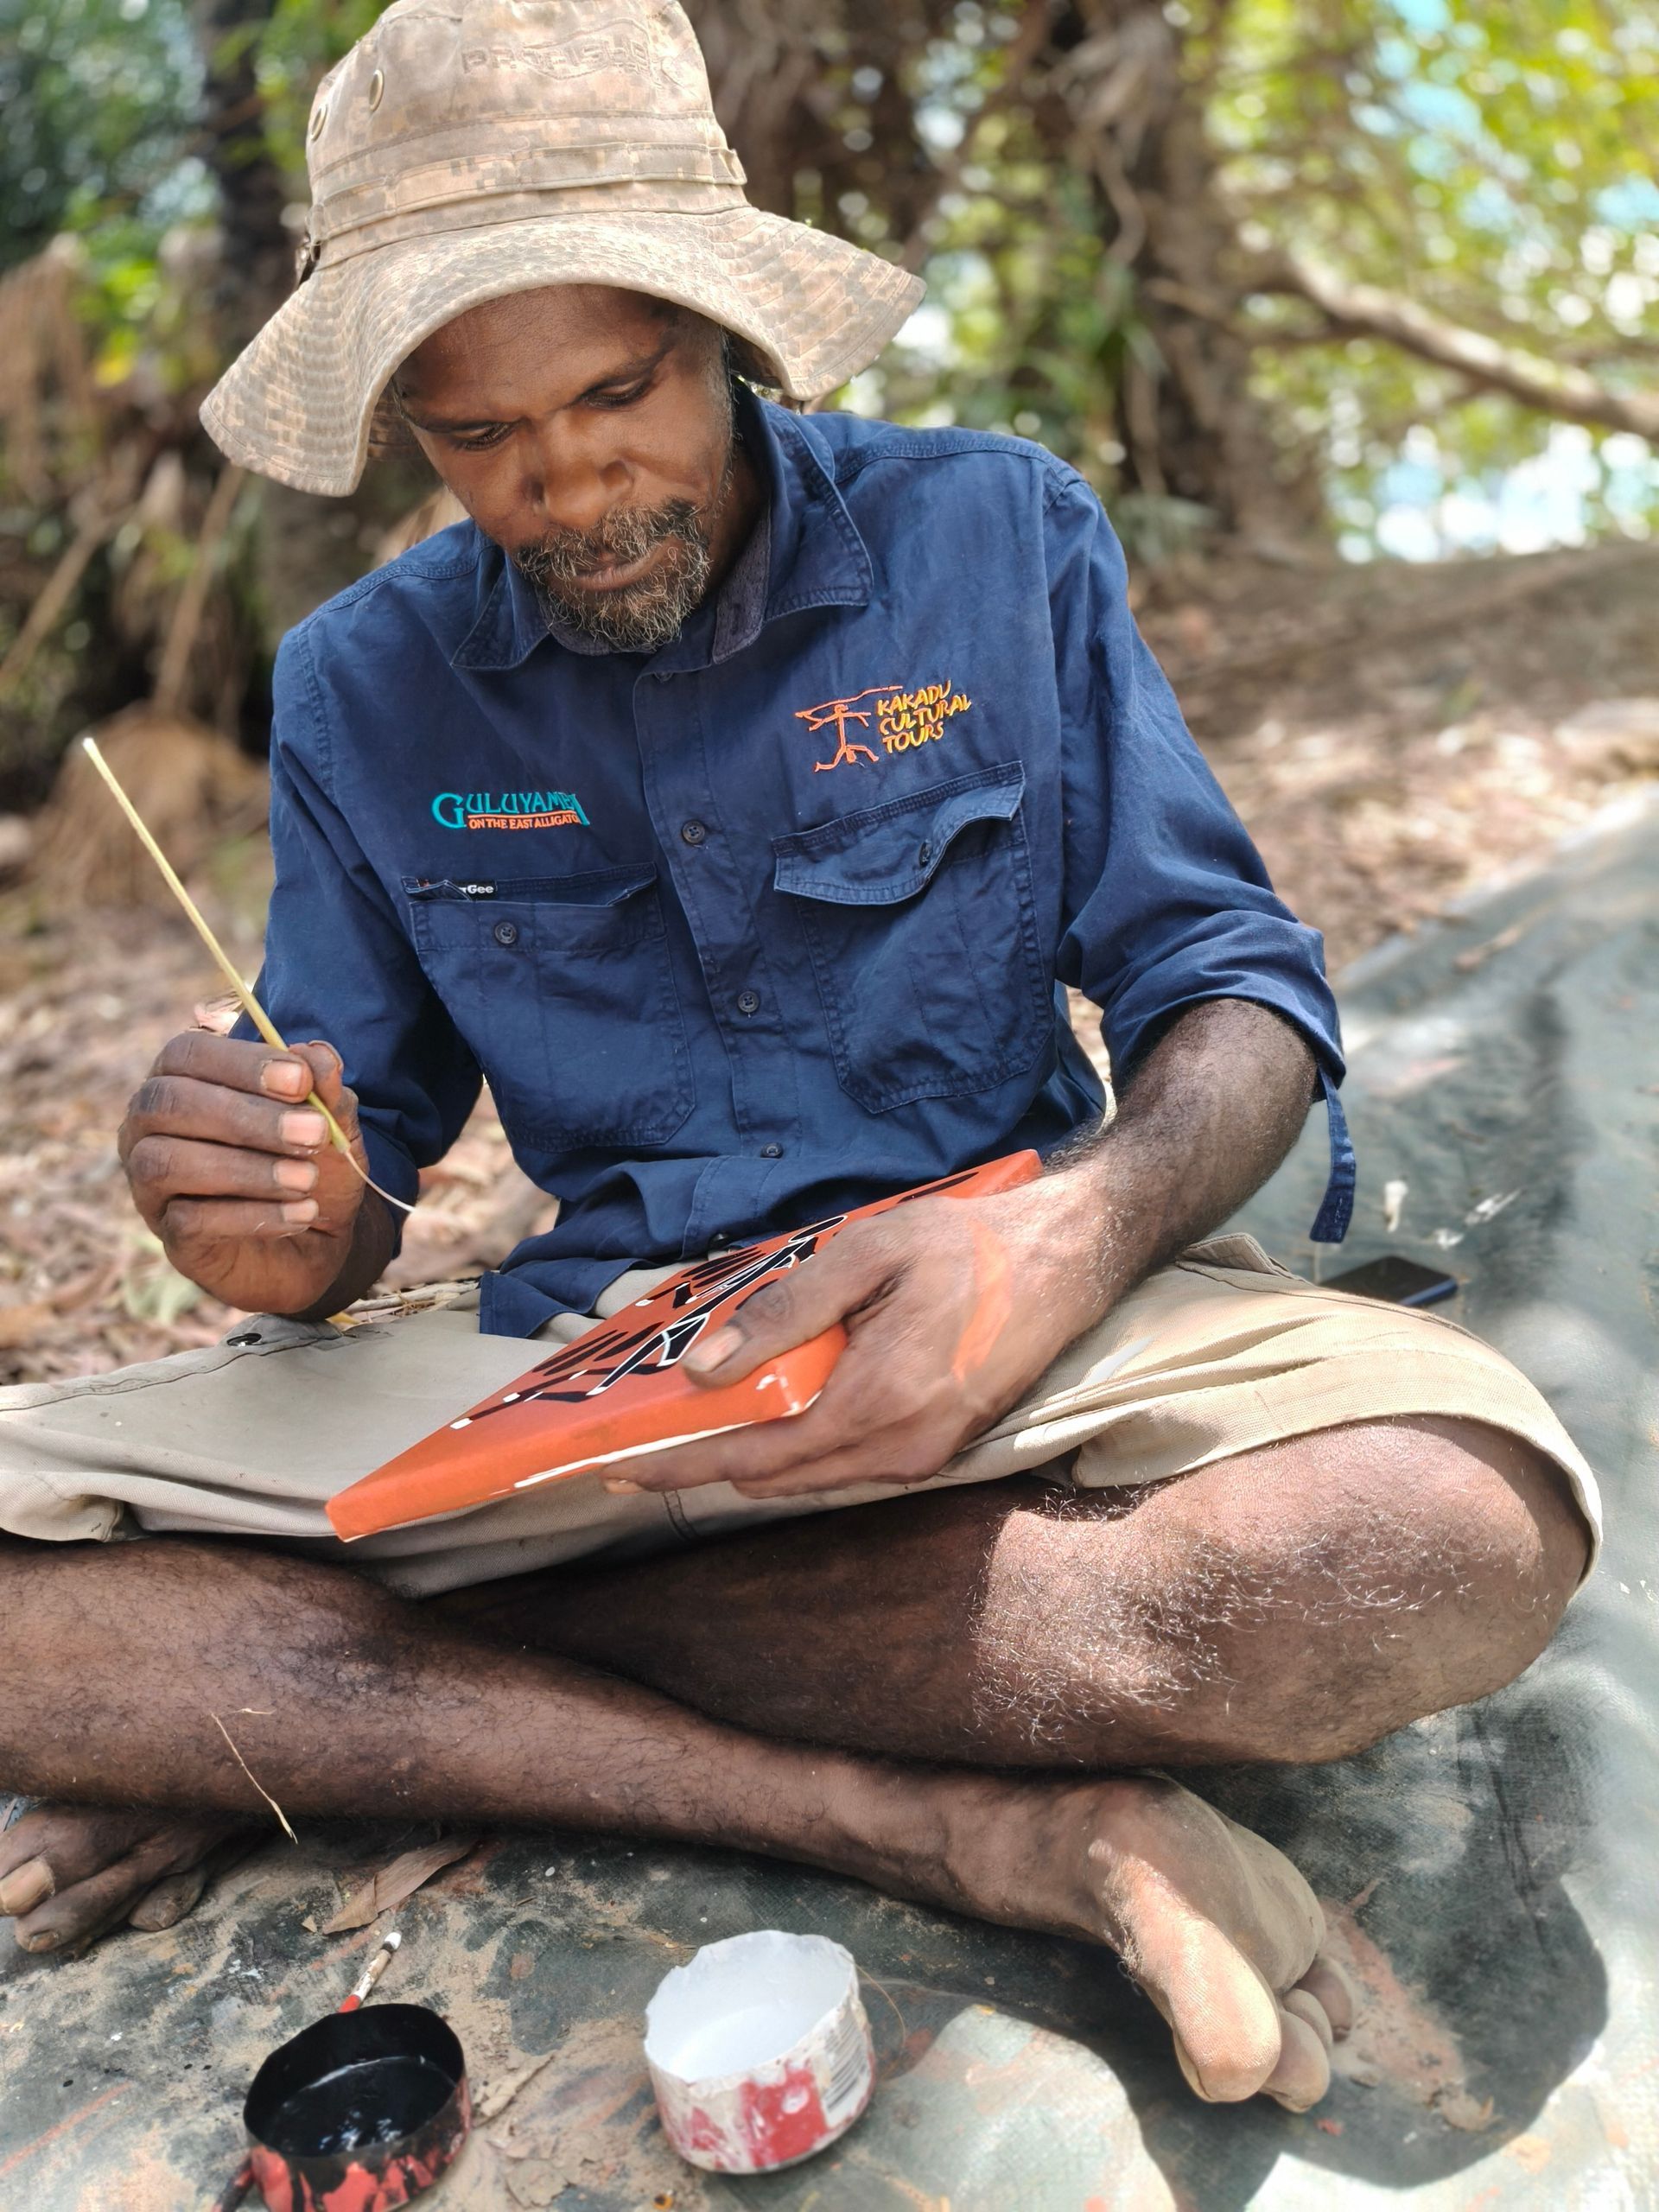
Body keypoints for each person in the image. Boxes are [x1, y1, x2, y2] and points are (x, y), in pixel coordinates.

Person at [0, 0, 1596, 2119]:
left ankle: (351, 1703)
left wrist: (1075, 1229)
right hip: (589, 1390)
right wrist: (258, 1203)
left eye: (619, 389)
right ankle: (956, 1821)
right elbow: (340, 1188)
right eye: (478, 439)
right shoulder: (360, 687)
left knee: (1446, 1535)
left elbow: (1235, 985)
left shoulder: (992, 541)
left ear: (725, 328)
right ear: (403, 425)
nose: (565, 478)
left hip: (1002, 1324)